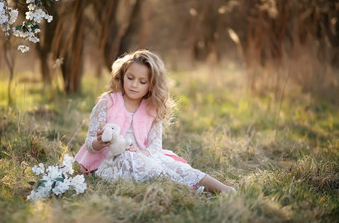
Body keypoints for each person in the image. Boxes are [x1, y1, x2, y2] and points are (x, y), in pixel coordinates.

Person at [75, 50, 236, 194]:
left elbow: (155, 146)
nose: (134, 85)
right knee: (129, 158)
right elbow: (89, 143)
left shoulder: (151, 108)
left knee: (175, 165)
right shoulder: (108, 102)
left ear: (151, 85)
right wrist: (99, 143)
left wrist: (141, 153)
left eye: (142, 82)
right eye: (130, 78)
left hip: (143, 157)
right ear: (122, 75)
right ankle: (184, 189)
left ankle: (225, 190)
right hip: (109, 162)